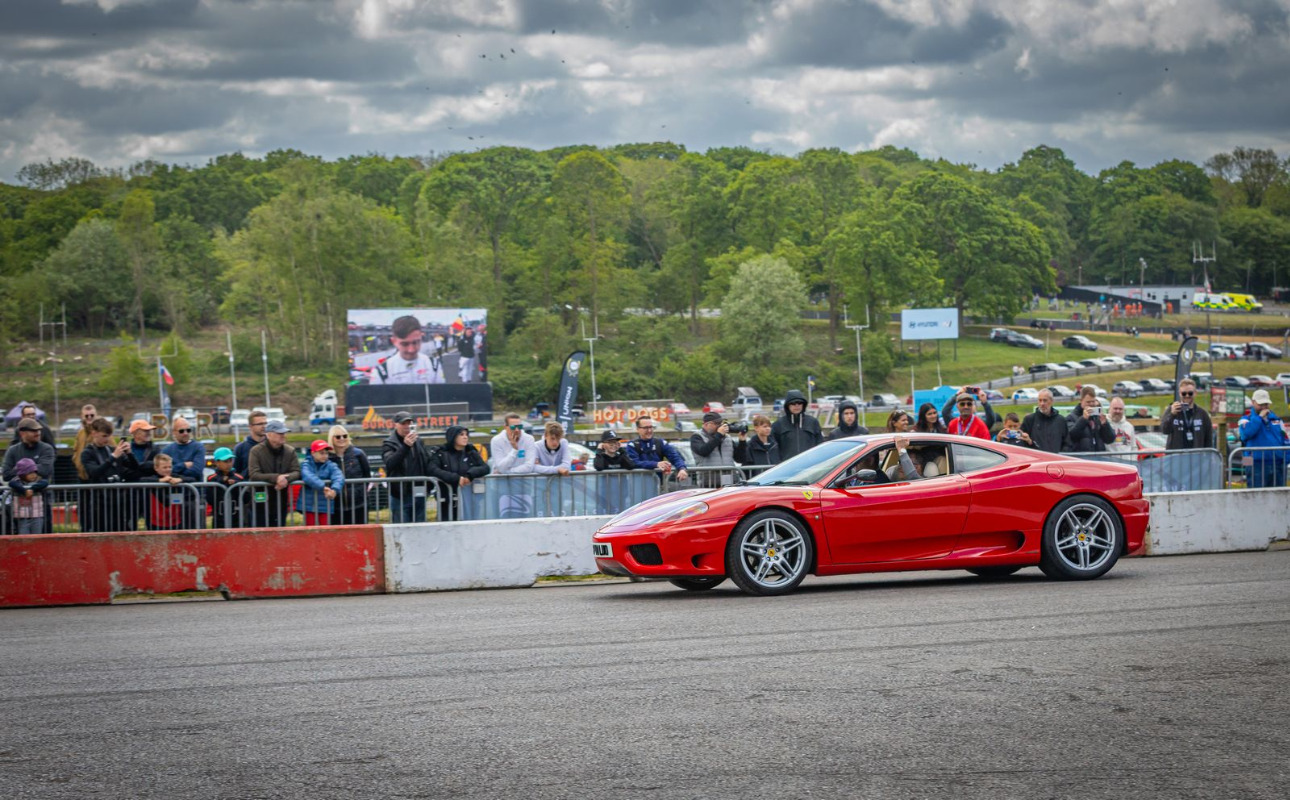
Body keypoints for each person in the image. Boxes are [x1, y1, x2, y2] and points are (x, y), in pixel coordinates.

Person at [382, 411, 436, 523]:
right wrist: (405, 446)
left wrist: (429, 487)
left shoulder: (418, 441)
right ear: (396, 425)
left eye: (409, 423)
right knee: (401, 528)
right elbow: (390, 463)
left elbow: (426, 462)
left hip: (420, 492)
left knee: (420, 527)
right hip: (401, 495)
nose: (407, 426)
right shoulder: (389, 443)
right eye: (403, 423)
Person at [428, 425, 490, 521]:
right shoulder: (440, 452)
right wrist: (455, 478)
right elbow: (432, 469)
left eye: (466, 434)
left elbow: (485, 468)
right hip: (447, 500)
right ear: (453, 436)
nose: (465, 437)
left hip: (469, 499)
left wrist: (470, 475)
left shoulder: (470, 451)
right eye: (461, 435)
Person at [80, 417, 130, 532]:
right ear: (94, 433)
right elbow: (94, 472)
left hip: (119, 501)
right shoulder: (87, 453)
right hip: (99, 503)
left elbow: (134, 468)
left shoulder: (112, 450)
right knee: (101, 533)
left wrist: (129, 454)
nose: (107, 439)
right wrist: (112, 458)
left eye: (109, 436)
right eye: (104, 436)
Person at [248, 419, 301, 527]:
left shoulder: (290, 451)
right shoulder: (256, 451)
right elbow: (254, 474)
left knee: (280, 528)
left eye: (284, 433)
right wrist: (276, 478)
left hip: (281, 498)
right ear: (269, 435)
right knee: (261, 528)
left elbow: (297, 471)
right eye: (279, 433)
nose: (283, 435)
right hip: (260, 498)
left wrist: (285, 479)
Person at [371, 315, 443, 385]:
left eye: (415, 342)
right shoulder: (381, 372)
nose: (411, 350)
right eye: (405, 344)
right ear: (394, 341)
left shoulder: (434, 365)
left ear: (421, 338)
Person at [490, 413, 538, 518]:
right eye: (513, 427)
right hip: (501, 488)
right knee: (501, 520)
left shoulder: (529, 439)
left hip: (523, 487)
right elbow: (500, 466)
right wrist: (514, 450)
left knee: (525, 520)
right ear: (505, 427)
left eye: (519, 426)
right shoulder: (496, 440)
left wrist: (507, 472)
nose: (517, 430)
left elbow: (528, 467)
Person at [1239, 389, 1288, 488]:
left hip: (1278, 464)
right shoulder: (1245, 419)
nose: (1263, 407)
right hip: (1254, 464)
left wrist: (1285, 460)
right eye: (1260, 404)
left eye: (1266, 404)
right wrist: (1259, 418)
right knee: (1256, 494)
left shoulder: (1277, 420)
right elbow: (1246, 434)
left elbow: (1286, 440)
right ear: (1253, 402)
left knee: (1279, 494)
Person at [328, 424, 371, 525]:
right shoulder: (327, 456)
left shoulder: (359, 454)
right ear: (331, 438)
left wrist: (360, 492)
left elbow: (367, 476)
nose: (342, 439)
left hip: (359, 504)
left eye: (345, 436)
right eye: (338, 437)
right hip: (335, 506)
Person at [625, 417, 689, 483]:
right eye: (645, 428)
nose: (649, 430)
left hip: (659, 484)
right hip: (639, 484)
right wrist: (655, 464)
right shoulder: (632, 445)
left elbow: (675, 457)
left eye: (651, 427)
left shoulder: (660, 443)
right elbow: (634, 463)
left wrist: (682, 468)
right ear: (638, 429)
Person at [298, 440, 344, 526]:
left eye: (326, 453)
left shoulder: (331, 465)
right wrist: (323, 487)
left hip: (325, 504)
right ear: (313, 453)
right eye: (321, 453)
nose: (325, 456)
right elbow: (308, 476)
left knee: (325, 529)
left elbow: (339, 476)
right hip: (309, 505)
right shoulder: (306, 464)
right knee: (310, 529)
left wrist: (335, 489)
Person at [1161, 378, 1214, 450]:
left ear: (1195, 393)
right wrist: (1172, 415)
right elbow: (1164, 430)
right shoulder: (1171, 409)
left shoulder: (1202, 413)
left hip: (1196, 454)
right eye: (1184, 393)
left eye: (1190, 393)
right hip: (1176, 455)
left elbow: (1208, 438)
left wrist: (1207, 454)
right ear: (1179, 393)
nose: (1187, 395)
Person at [772, 389, 823, 459]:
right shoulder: (778, 424)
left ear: (803, 405)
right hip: (787, 464)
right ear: (787, 405)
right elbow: (774, 448)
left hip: (810, 463)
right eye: (793, 403)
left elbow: (820, 444)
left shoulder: (813, 422)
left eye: (799, 403)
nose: (797, 405)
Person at [690, 412, 736, 487]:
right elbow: (704, 451)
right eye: (717, 424)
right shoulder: (697, 437)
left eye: (721, 423)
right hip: (708, 482)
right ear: (706, 424)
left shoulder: (726, 437)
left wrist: (742, 441)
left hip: (729, 481)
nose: (719, 426)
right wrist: (719, 435)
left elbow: (739, 458)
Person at [1066, 386, 1115, 453]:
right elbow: (1071, 437)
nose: (1091, 404)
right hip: (1081, 457)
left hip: (1099, 456)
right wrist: (1083, 419)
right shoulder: (1071, 417)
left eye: (1093, 401)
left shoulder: (1097, 417)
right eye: (1088, 402)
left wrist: (1105, 424)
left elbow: (1110, 439)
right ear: (1081, 401)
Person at [8, 457, 49, 534]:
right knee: (23, 536)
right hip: (22, 517)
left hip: (37, 515)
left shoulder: (38, 481)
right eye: (30, 473)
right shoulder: (17, 481)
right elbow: (11, 483)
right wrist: (24, 491)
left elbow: (45, 482)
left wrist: (32, 489)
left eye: (35, 472)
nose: (33, 475)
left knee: (37, 536)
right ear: (22, 474)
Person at [1021, 390, 1070, 454]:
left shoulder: (1060, 420)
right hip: (1036, 458)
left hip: (1055, 458)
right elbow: (1023, 442)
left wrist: (1060, 456)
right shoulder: (1029, 420)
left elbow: (1067, 443)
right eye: (1040, 400)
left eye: (1045, 400)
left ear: (1051, 401)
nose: (1042, 404)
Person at [206, 446, 242, 529]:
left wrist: (236, 485)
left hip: (237, 517)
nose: (229, 464)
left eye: (230, 460)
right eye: (225, 461)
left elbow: (246, 498)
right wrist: (221, 482)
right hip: (218, 517)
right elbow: (209, 499)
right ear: (217, 462)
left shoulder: (239, 478)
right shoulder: (211, 479)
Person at [233, 410, 268, 481]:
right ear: (250, 426)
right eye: (260, 424)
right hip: (247, 486)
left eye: (265, 423)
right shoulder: (240, 448)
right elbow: (236, 472)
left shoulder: (272, 445)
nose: (264, 426)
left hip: (269, 486)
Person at [71, 404, 98, 481]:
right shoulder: (80, 433)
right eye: (86, 416)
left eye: (92, 415)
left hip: (96, 476)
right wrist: (76, 462)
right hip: (81, 475)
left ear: (96, 415)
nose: (89, 417)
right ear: (82, 416)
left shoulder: (101, 431)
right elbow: (75, 450)